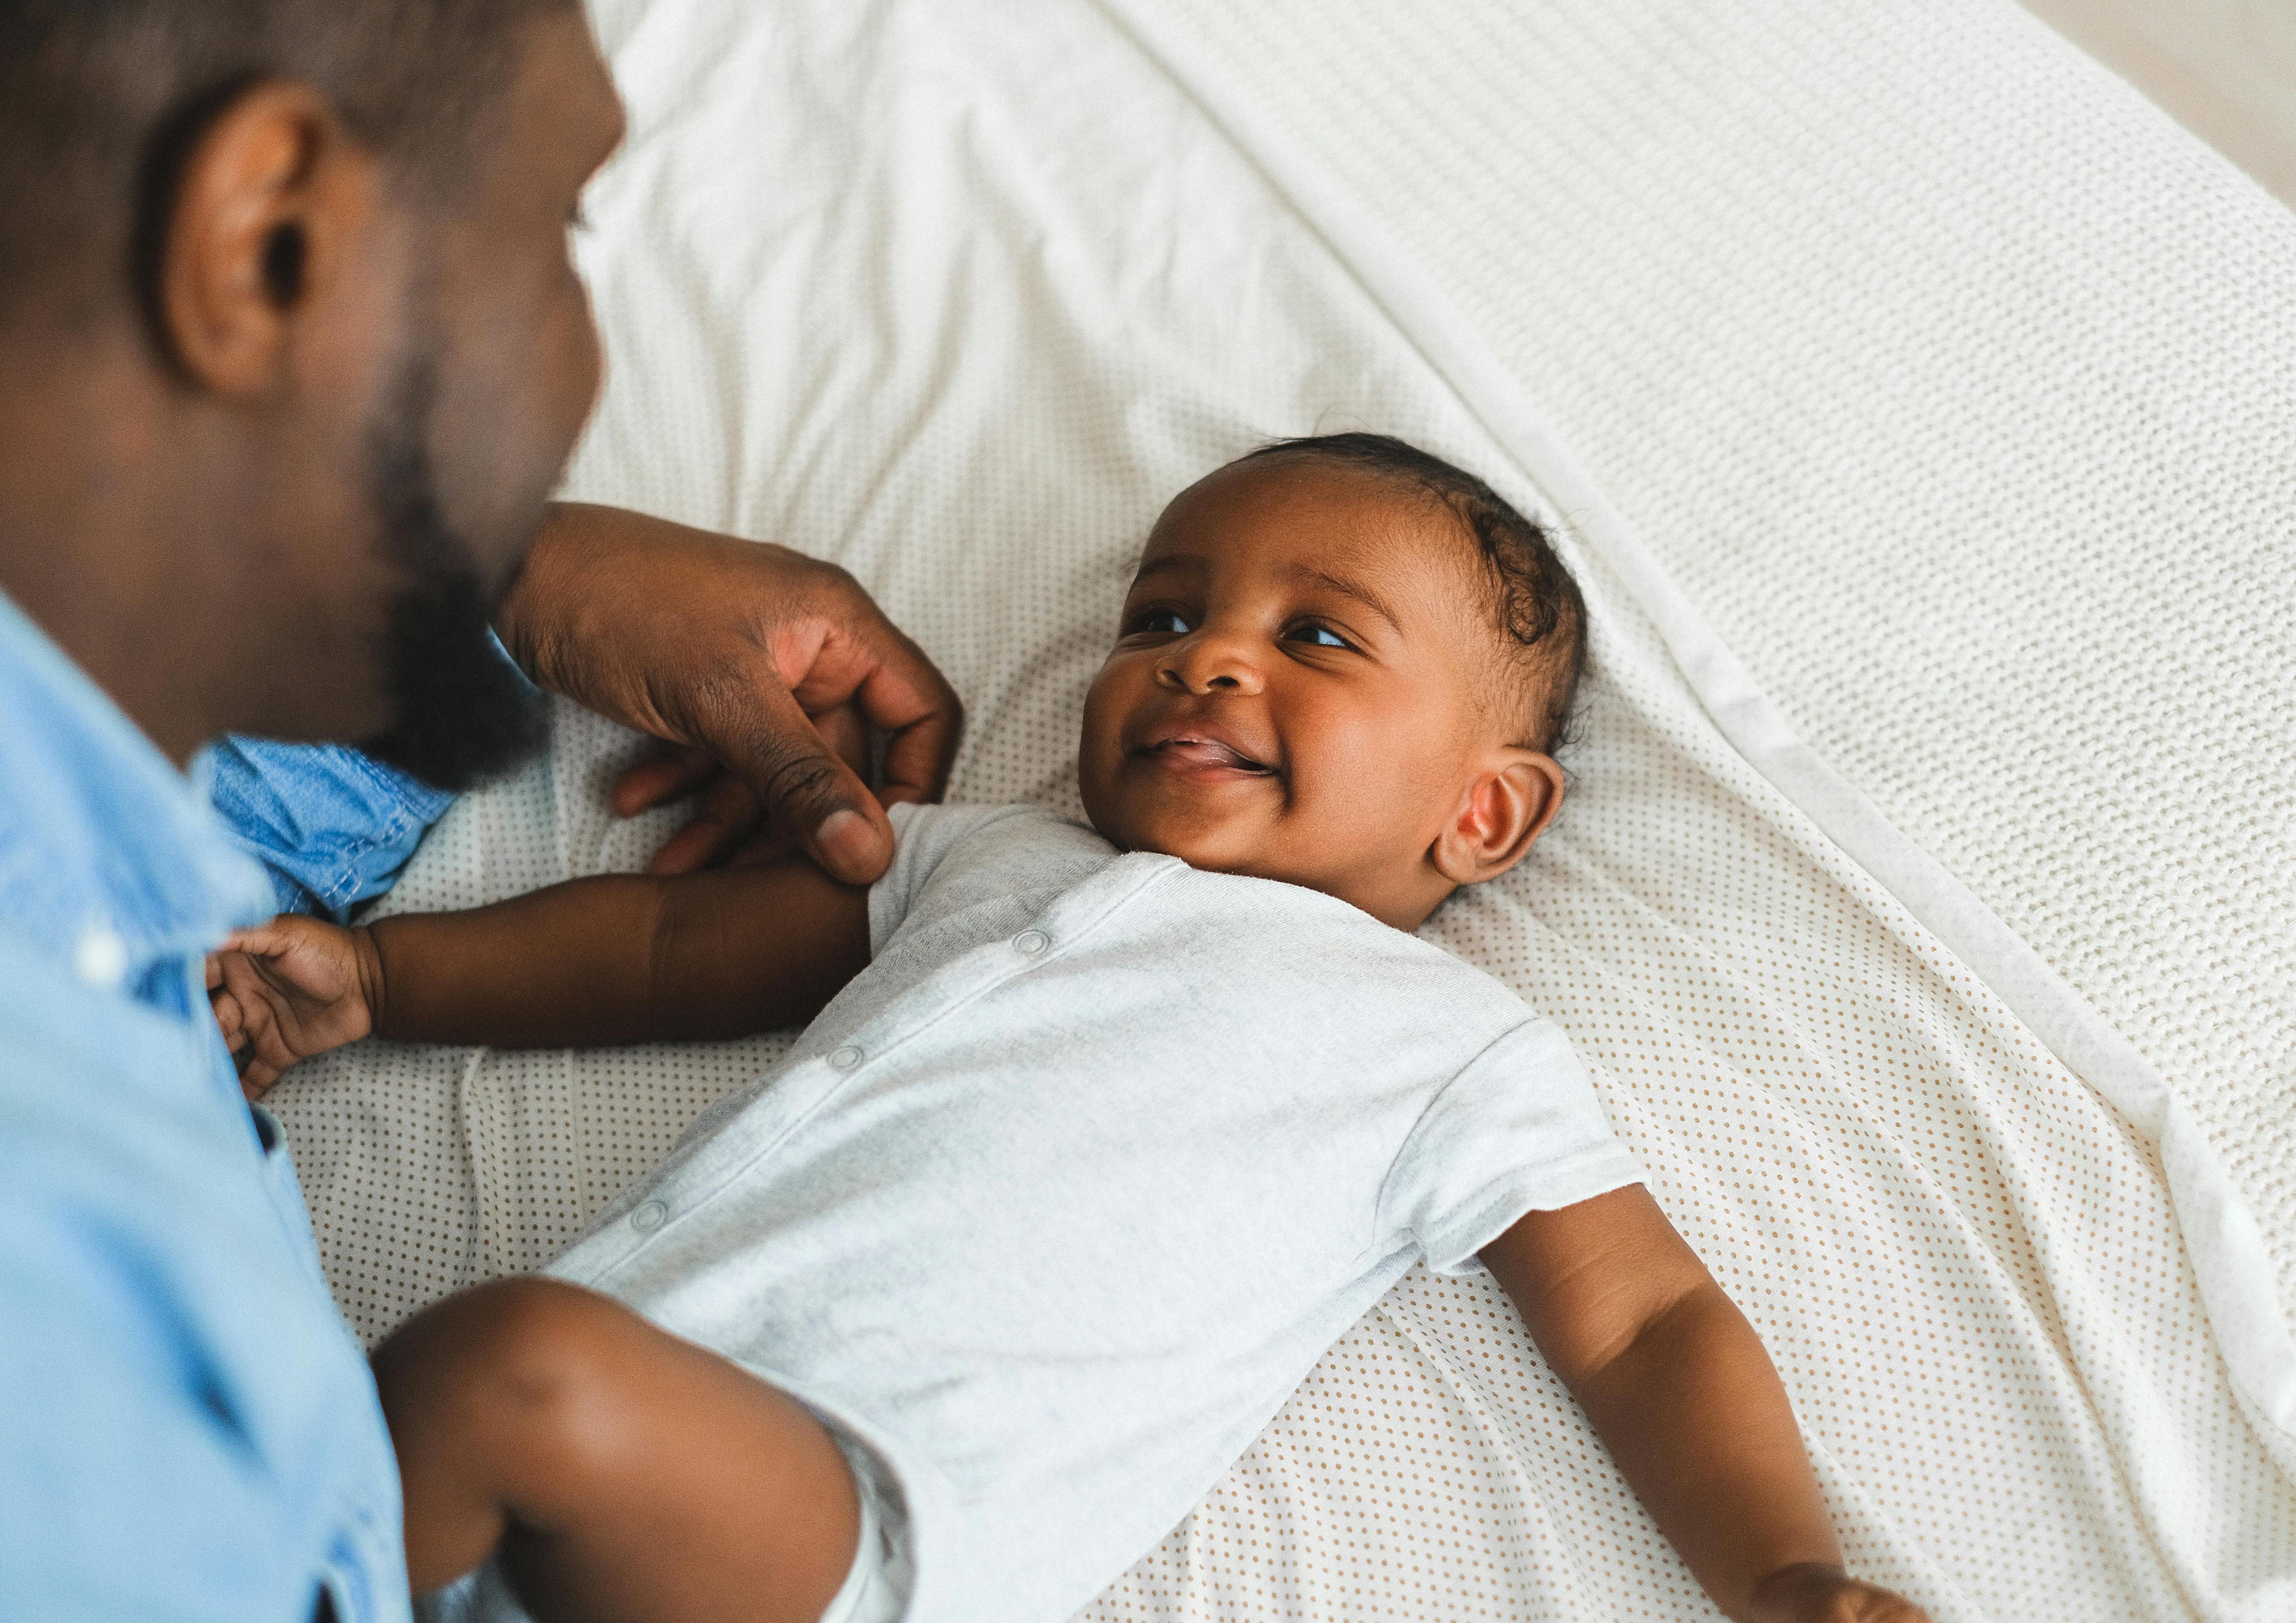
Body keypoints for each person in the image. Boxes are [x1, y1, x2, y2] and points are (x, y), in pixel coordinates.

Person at [212, 436, 1933, 1623]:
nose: (1204, 664)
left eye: (1315, 636)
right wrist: (386, 982)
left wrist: (1780, 1575)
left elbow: (1643, 1321)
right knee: (401, 1381)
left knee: (499, 1373)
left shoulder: (1442, 1048)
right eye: (1166, 618)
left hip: (857, 1534)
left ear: (1483, 818)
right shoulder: (987, 864)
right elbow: (668, 938)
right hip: (597, 1512)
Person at [0, 4, 957, 1618]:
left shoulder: (12, 804)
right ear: (271, 240)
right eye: (560, 229)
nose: (582, 366)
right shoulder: (2, 1378)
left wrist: (495, 577)